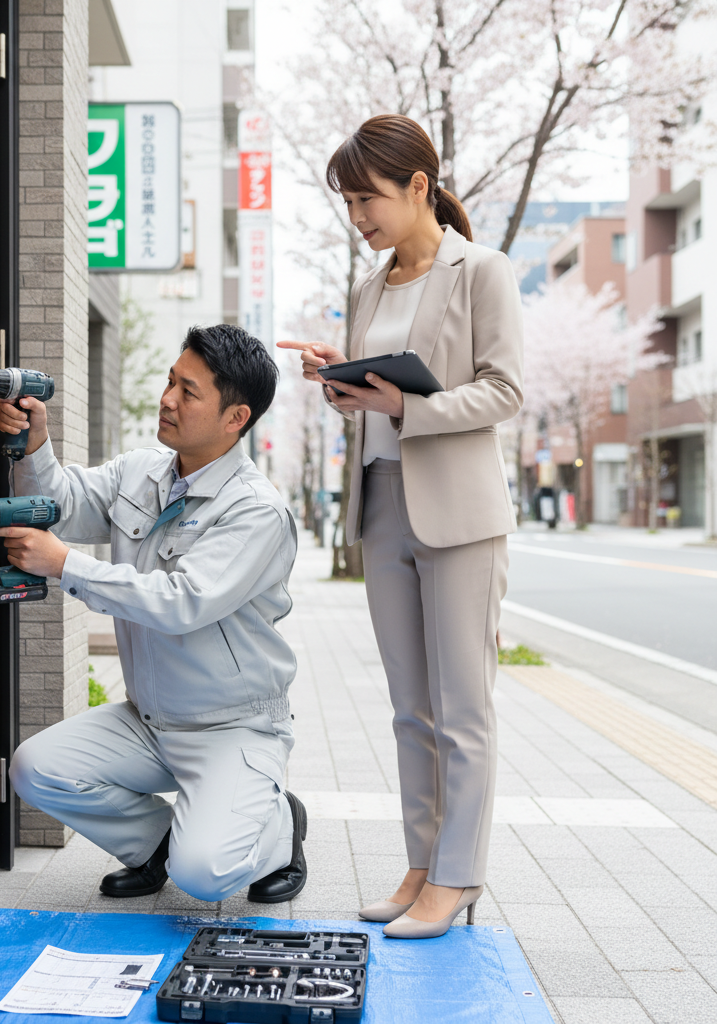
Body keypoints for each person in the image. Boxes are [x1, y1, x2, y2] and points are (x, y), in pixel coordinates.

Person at [280, 114, 522, 939]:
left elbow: (504, 391)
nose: (357, 218)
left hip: (458, 514)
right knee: (409, 708)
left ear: (419, 185)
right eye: (348, 202)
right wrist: (338, 380)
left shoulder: (481, 272)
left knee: (463, 710)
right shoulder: (369, 287)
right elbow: (377, 402)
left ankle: (458, 879)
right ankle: (422, 866)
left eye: (366, 198)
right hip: (382, 504)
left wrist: (403, 405)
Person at [0, 323, 307, 904]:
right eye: (170, 382)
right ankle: (156, 845)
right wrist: (35, 443)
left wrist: (66, 567)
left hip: (231, 728)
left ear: (236, 418)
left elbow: (181, 601)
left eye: (188, 392)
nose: (167, 399)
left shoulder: (256, 512)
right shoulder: (139, 472)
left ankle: (279, 829)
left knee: (206, 876)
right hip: (149, 721)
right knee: (34, 768)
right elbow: (60, 505)